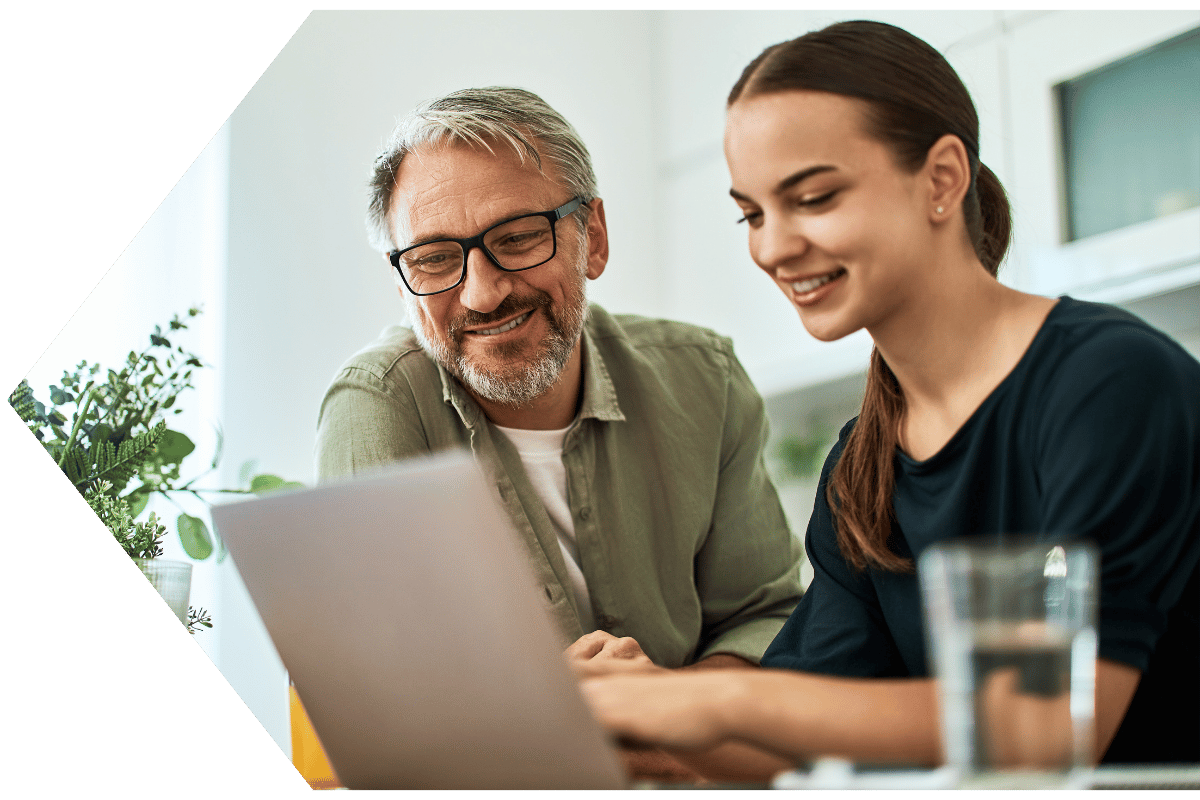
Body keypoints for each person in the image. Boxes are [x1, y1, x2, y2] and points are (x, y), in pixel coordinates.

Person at [579, 20, 1200, 781]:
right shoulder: (863, 463)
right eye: (752, 213)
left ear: (941, 179)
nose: (772, 247)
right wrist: (640, 720)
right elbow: (810, 734)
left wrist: (711, 704)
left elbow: (1040, 727)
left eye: (812, 197)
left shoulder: (1111, 384)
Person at [315, 87, 803, 677]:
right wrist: (550, 708)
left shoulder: (705, 379)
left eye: (517, 238)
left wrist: (671, 715)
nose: (482, 293)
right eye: (434, 259)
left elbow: (764, 617)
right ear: (401, 282)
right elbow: (383, 686)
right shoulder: (377, 405)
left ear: (592, 237)